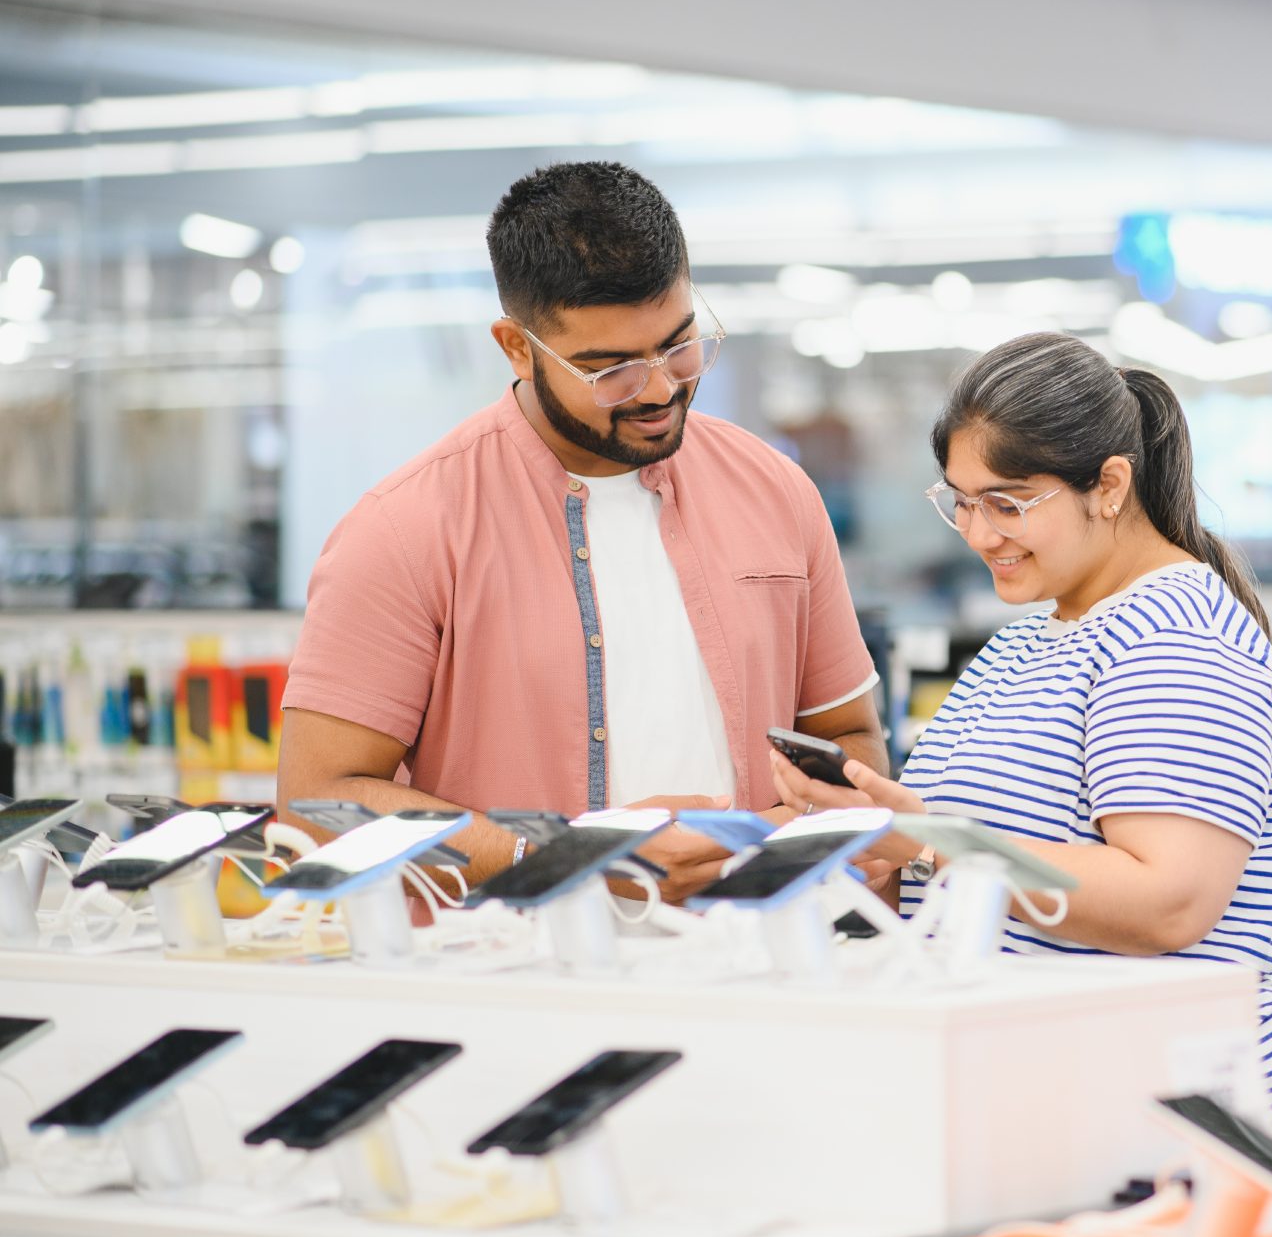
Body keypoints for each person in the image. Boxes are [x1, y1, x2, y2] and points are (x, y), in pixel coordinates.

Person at [278, 162, 885, 899]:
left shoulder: (777, 491)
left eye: (679, 344)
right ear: (516, 346)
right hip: (521, 984)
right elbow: (317, 805)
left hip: (758, 968)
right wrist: (579, 862)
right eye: (612, 370)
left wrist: (809, 837)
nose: (659, 389)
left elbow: (851, 741)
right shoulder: (406, 528)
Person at [768, 332, 1272, 1129]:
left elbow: (1169, 901)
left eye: (1009, 502)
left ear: (1111, 485)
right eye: (960, 500)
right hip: (1044, 1093)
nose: (980, 533)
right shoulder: (1030, 637)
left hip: (1167, 1109)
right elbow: (980, 857)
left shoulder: (1176, 641)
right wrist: (877, 850)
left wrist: (926, 841)